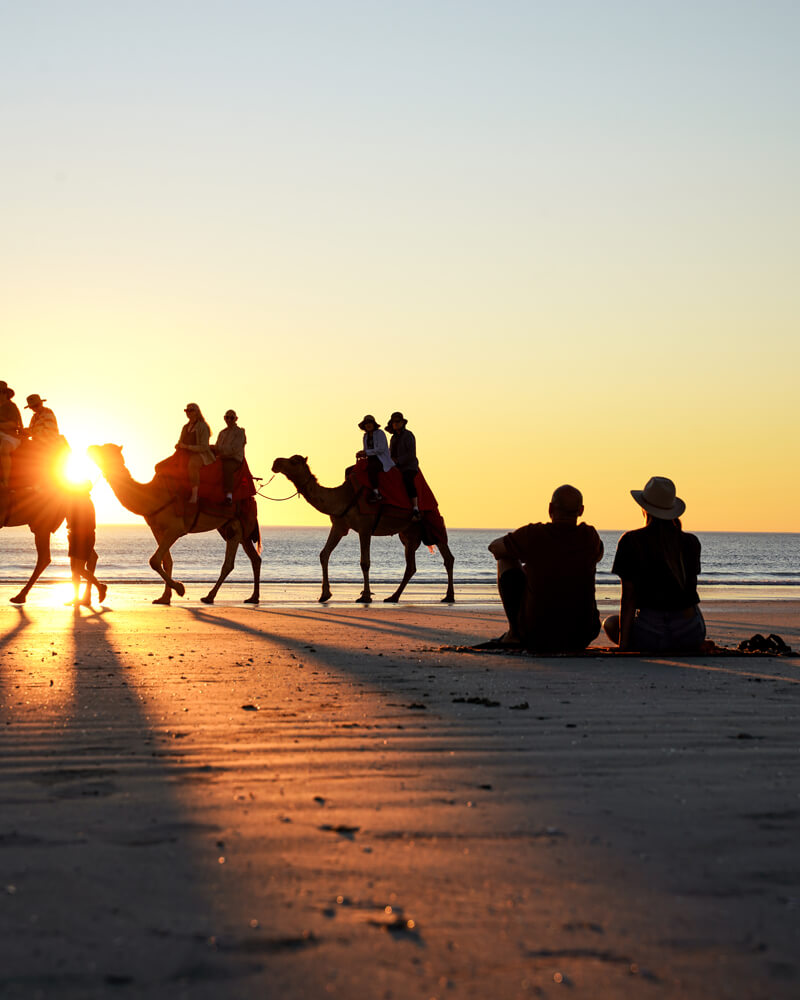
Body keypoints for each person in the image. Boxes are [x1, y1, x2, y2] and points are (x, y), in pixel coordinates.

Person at [488, 485, 603, 652]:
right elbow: (597, 555)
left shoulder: (535, 534)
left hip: (536, 633)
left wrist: (520, 548)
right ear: (581, 510)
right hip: (582, 634)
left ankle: (514, 633)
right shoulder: (589, 536)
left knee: (505, 559)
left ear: (550, 508)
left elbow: (495, 548)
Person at [603, 477, 705, 653]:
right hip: (690, 635)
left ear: (644, 509)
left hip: (651, 636)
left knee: (610, 623)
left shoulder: (631, 541)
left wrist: (624, 646)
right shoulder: (691, 542)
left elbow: (628, 597)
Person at [66, 483, 107, 606]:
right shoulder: (77, 500)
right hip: (74, 536)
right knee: (74, 570)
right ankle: (76, 597)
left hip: (82, 538)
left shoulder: (84, 502)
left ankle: (100, 587)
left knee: (78, 568)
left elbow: (85, 524)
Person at [175, 403, 214, 504]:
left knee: (192, 465)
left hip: (201, 454)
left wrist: (187, 447)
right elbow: (180, 441)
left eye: (191, 410)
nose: (188, 413)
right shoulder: (185, 427)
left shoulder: (203, 427)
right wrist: (179, 445)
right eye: (187, 411)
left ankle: (194, 495)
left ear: (196, 412)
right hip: (185, 453)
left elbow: (204, 447)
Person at [385, 411, 421, 520]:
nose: (395, 424)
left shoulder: (408, 435)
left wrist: (398, 461)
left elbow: (411, 454)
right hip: (395, 466)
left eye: (398, 421)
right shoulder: (393, 438)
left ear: (402, 423)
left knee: (408, 480)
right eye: (394, 422)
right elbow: (390, 452)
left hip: (408, 466)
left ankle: (415, 508)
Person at [356, 414, 394, 502]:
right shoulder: (365, 436)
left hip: (381, 460)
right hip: (370, 458)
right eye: (366, 423)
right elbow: (366, 450)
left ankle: (376, 493)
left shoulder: (380, 433)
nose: (368, 425)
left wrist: (366, 452)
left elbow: (380, 449)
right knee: (353, 469)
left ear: (374, 424)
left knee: (371, 468)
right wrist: (361, 453)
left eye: (370, 423)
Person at [212, 409, 246, 504]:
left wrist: (219, 450)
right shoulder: (222, 433)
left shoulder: (239, 432)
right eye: (227, 417)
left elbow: (234, 449)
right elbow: (217, 446)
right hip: (222, 457)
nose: (229, 420)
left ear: (236, 419)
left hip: (234, 459)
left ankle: (229, 495)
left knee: (227, 467)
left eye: (232, 417)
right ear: (224, 418)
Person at [0, 381, 23, 487]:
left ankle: (5, 481)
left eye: (1, 392)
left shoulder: (11, 406)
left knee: (4, 450)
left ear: (5, 394)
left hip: (10, 436)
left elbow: (13, 425)